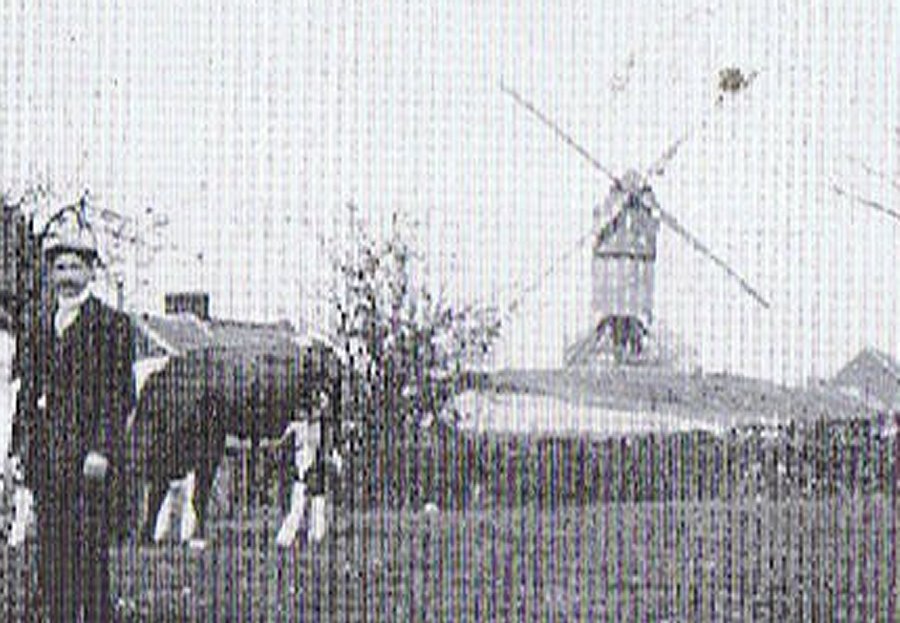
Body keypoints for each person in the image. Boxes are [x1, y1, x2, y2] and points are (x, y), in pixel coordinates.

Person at [30, 206, 136, 622]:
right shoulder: (38, 324)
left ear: (91, 273)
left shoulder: (111, 325)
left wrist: (102, 449)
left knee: (90, 564)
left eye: (75, 266)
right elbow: (28, 397)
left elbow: (119, 395)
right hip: (47, 462)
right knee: (52, 566)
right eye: (60, 267)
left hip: (90, 465)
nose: (67, 275)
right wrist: (24, 453)